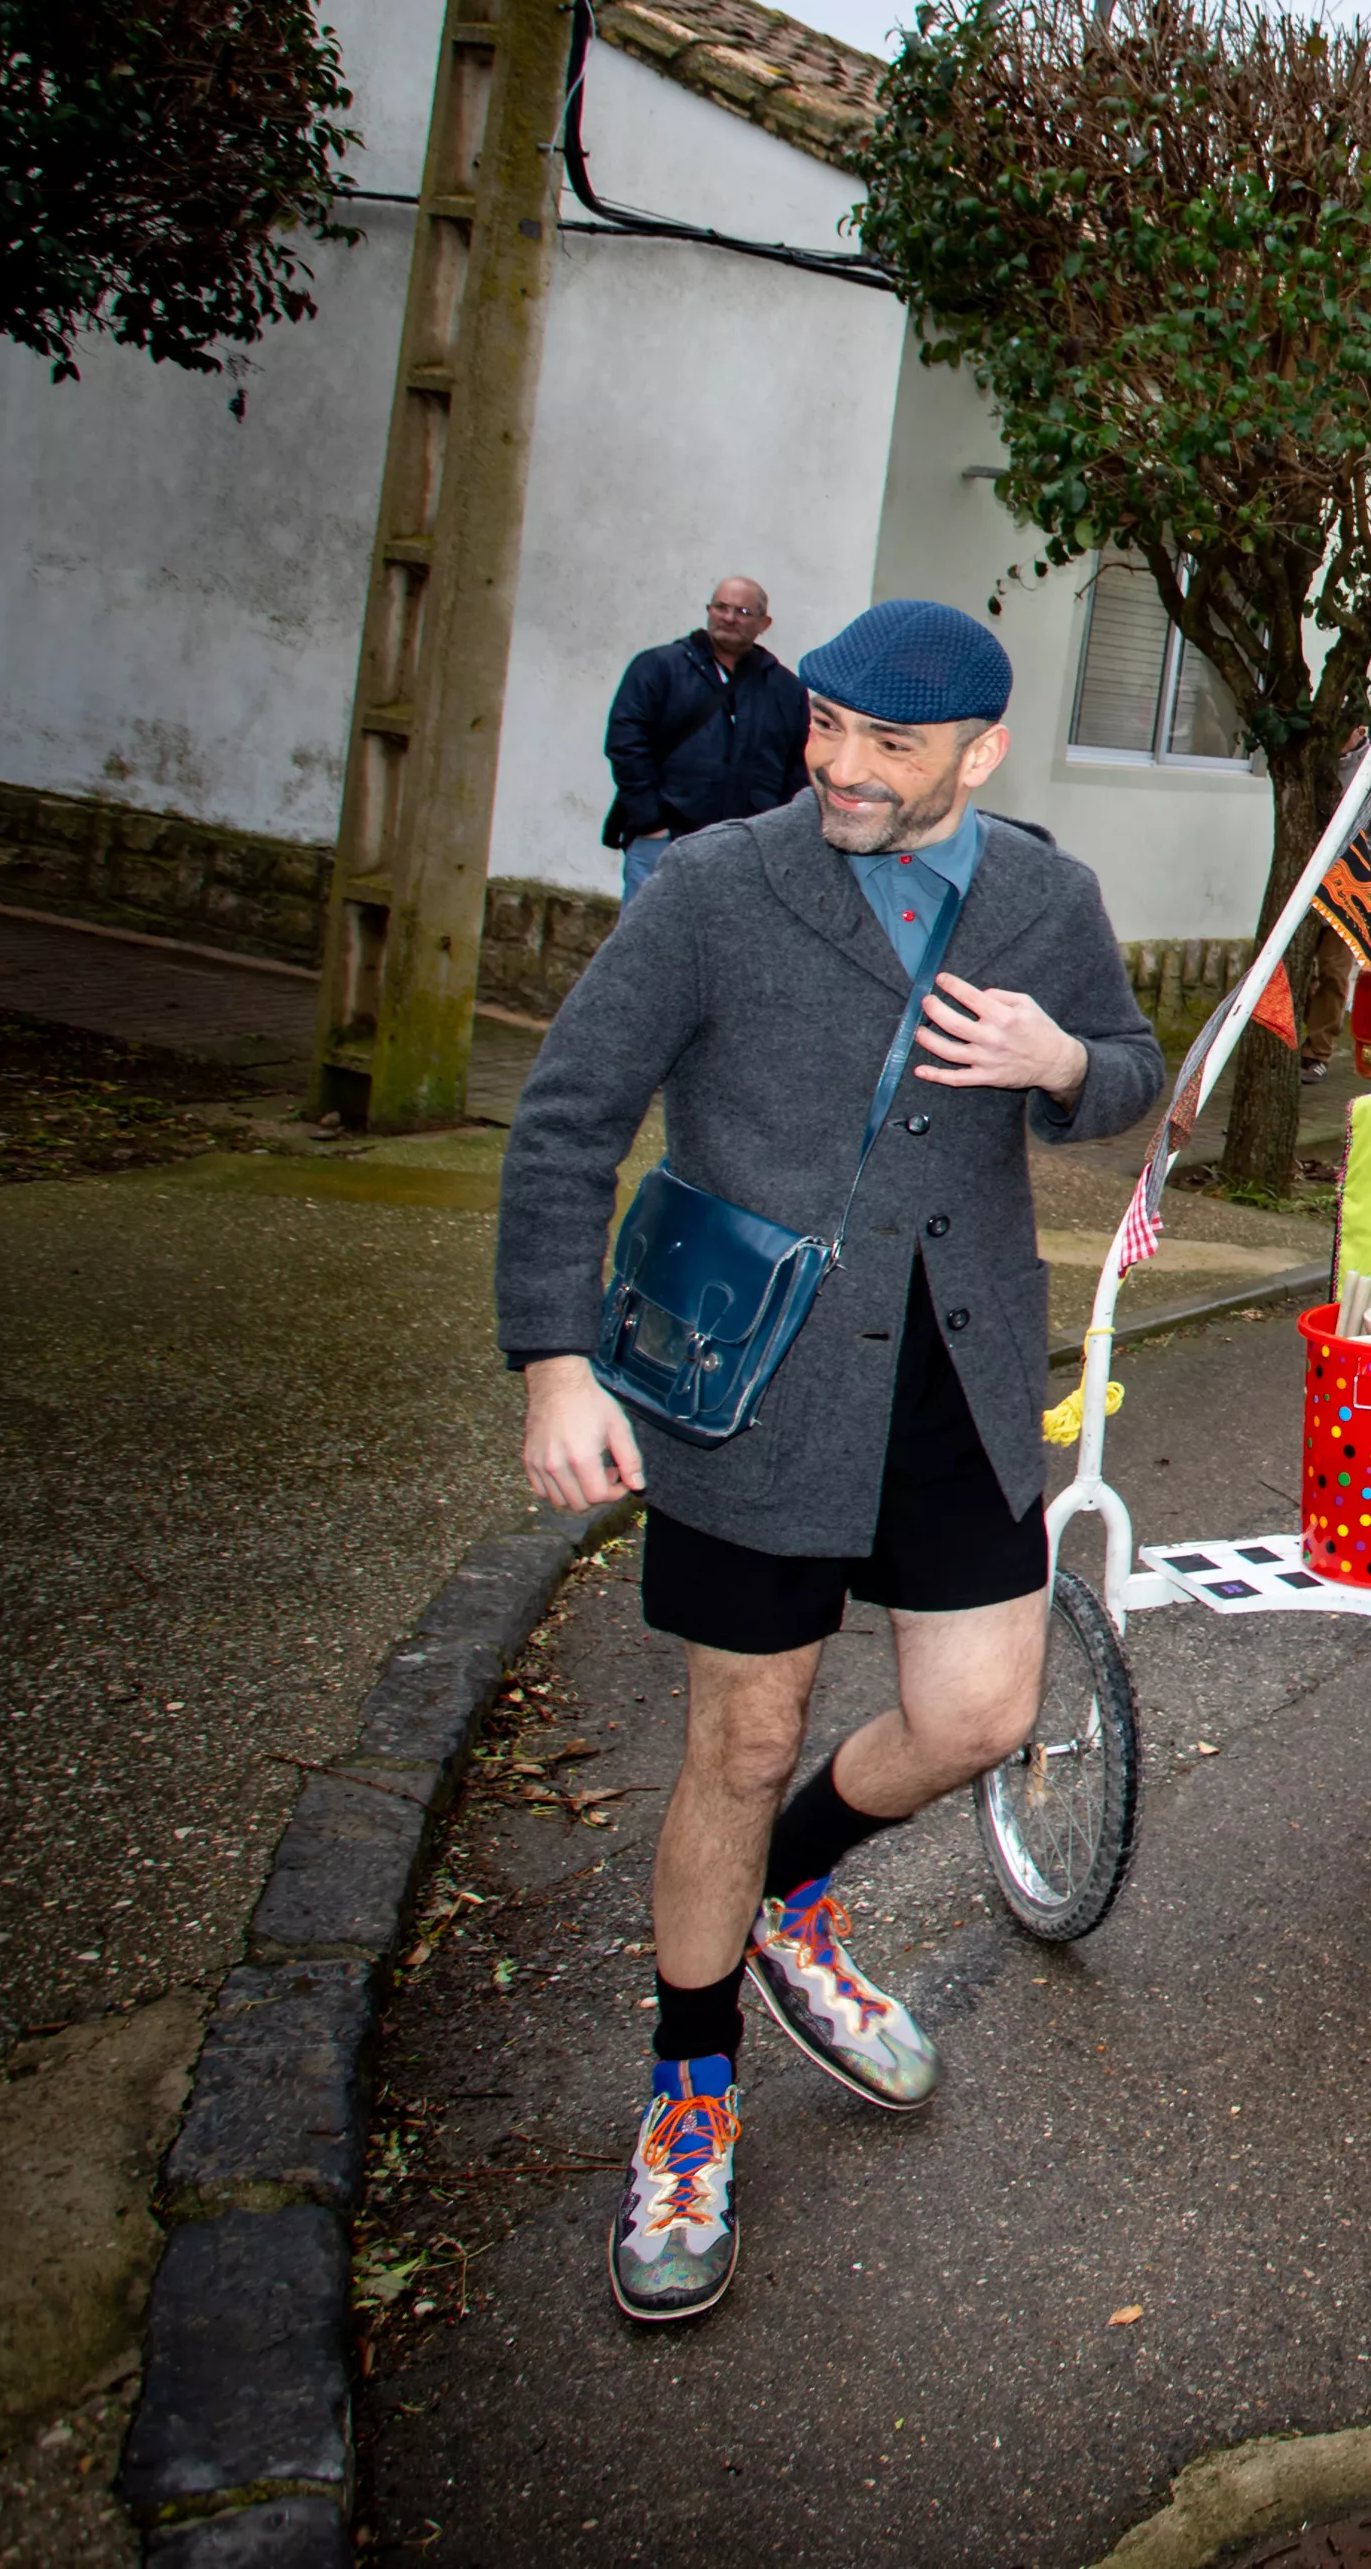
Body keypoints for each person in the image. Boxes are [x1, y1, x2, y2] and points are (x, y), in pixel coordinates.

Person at [495, 599, 1168, 2328]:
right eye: (827, 728)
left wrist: (1065, 1059)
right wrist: (556, 1359)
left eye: (886, 742)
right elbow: (570, 1114)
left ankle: (793, 1890)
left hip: (958, 1364)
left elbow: (1131, 1079)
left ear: (978, 752)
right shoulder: (719, 886)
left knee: (977, 1717)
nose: (842, 765)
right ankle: (688, 2085)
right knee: (744, 1729)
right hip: (758, 1379)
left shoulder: (1046, 898)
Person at [601, 578, 808, 898]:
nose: (729, 617)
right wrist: (651, 821)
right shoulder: (658, 667)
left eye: (742, 611)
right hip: (665, 840)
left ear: (763, 624)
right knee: (651, 944)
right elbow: (625, 743)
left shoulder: (785, 690)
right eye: (721, 607)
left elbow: (797, 768)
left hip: (744, 849)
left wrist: (773, 837)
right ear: (709, 611)